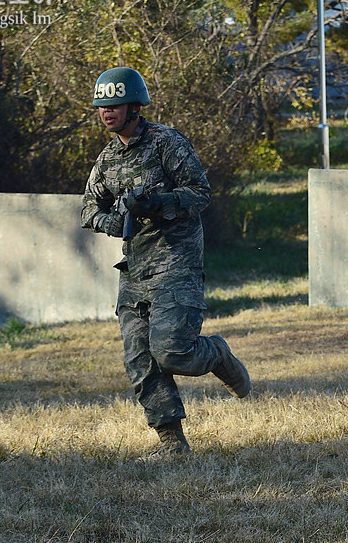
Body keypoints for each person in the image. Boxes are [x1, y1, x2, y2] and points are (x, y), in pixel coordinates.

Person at [81, 66, 250, 459]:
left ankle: (219, 355)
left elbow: (200, 192)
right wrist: (111, 220)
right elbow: (90, 207)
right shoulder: (107, 160)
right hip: (135, 270)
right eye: (101, 106)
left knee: (173, 351)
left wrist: (157, 203)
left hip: (177, 263)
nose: (107, 112)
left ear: (135, 106)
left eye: (115, 104)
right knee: (140, 360)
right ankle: (172, 443)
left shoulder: (164, 142)